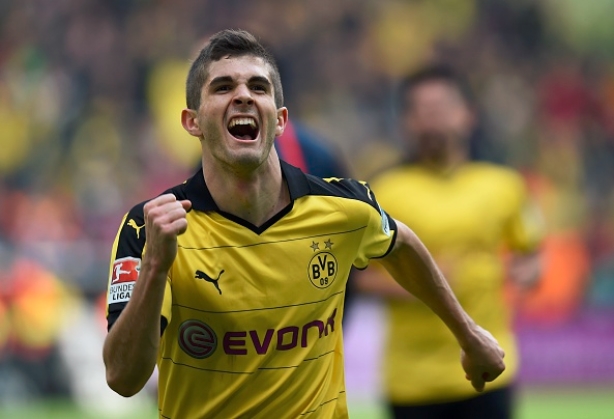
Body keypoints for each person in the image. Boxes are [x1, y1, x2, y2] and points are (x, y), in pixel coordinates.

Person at [102, 30, 505, 418]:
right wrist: (155, 268)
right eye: (223, 87)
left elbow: (400, 243)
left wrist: (468, 334)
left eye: (258, 87)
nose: (243, 95)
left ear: (279, 120)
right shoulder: (150, 227)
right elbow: (123, 378)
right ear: (192, 122)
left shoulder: (342, 207)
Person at [354, 65, 544, 419]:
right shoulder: (382, 192)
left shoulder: (505, 186)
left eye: (441, 108)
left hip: (493, 365)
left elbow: (531, 254)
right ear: (406, 122)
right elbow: (358, 278)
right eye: (421, 111)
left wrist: (526, 271)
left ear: (468, 114)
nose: (432, 121)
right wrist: (426, 280)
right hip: (414, 382)